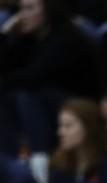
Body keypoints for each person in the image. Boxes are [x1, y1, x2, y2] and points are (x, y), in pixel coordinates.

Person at [0, 0, 98, 157]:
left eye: (30, 8)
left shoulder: (67, 37)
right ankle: (8, 160)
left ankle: (41, 158)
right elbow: (5, 66)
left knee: (25, 95)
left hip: (80, 103)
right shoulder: (29, 38)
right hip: (48, 101)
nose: (22, 16)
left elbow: (34, 77)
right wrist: (4, 34)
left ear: (49, 10)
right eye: (21, 9)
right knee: (7, 97)